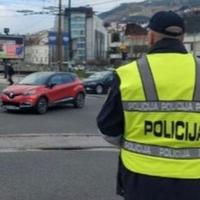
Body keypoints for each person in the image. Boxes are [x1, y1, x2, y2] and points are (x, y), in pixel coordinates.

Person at [97, 11, 200, 200]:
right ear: (183, 38)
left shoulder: (128, 74)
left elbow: (108, 130)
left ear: (150, 37)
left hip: (141, 179)